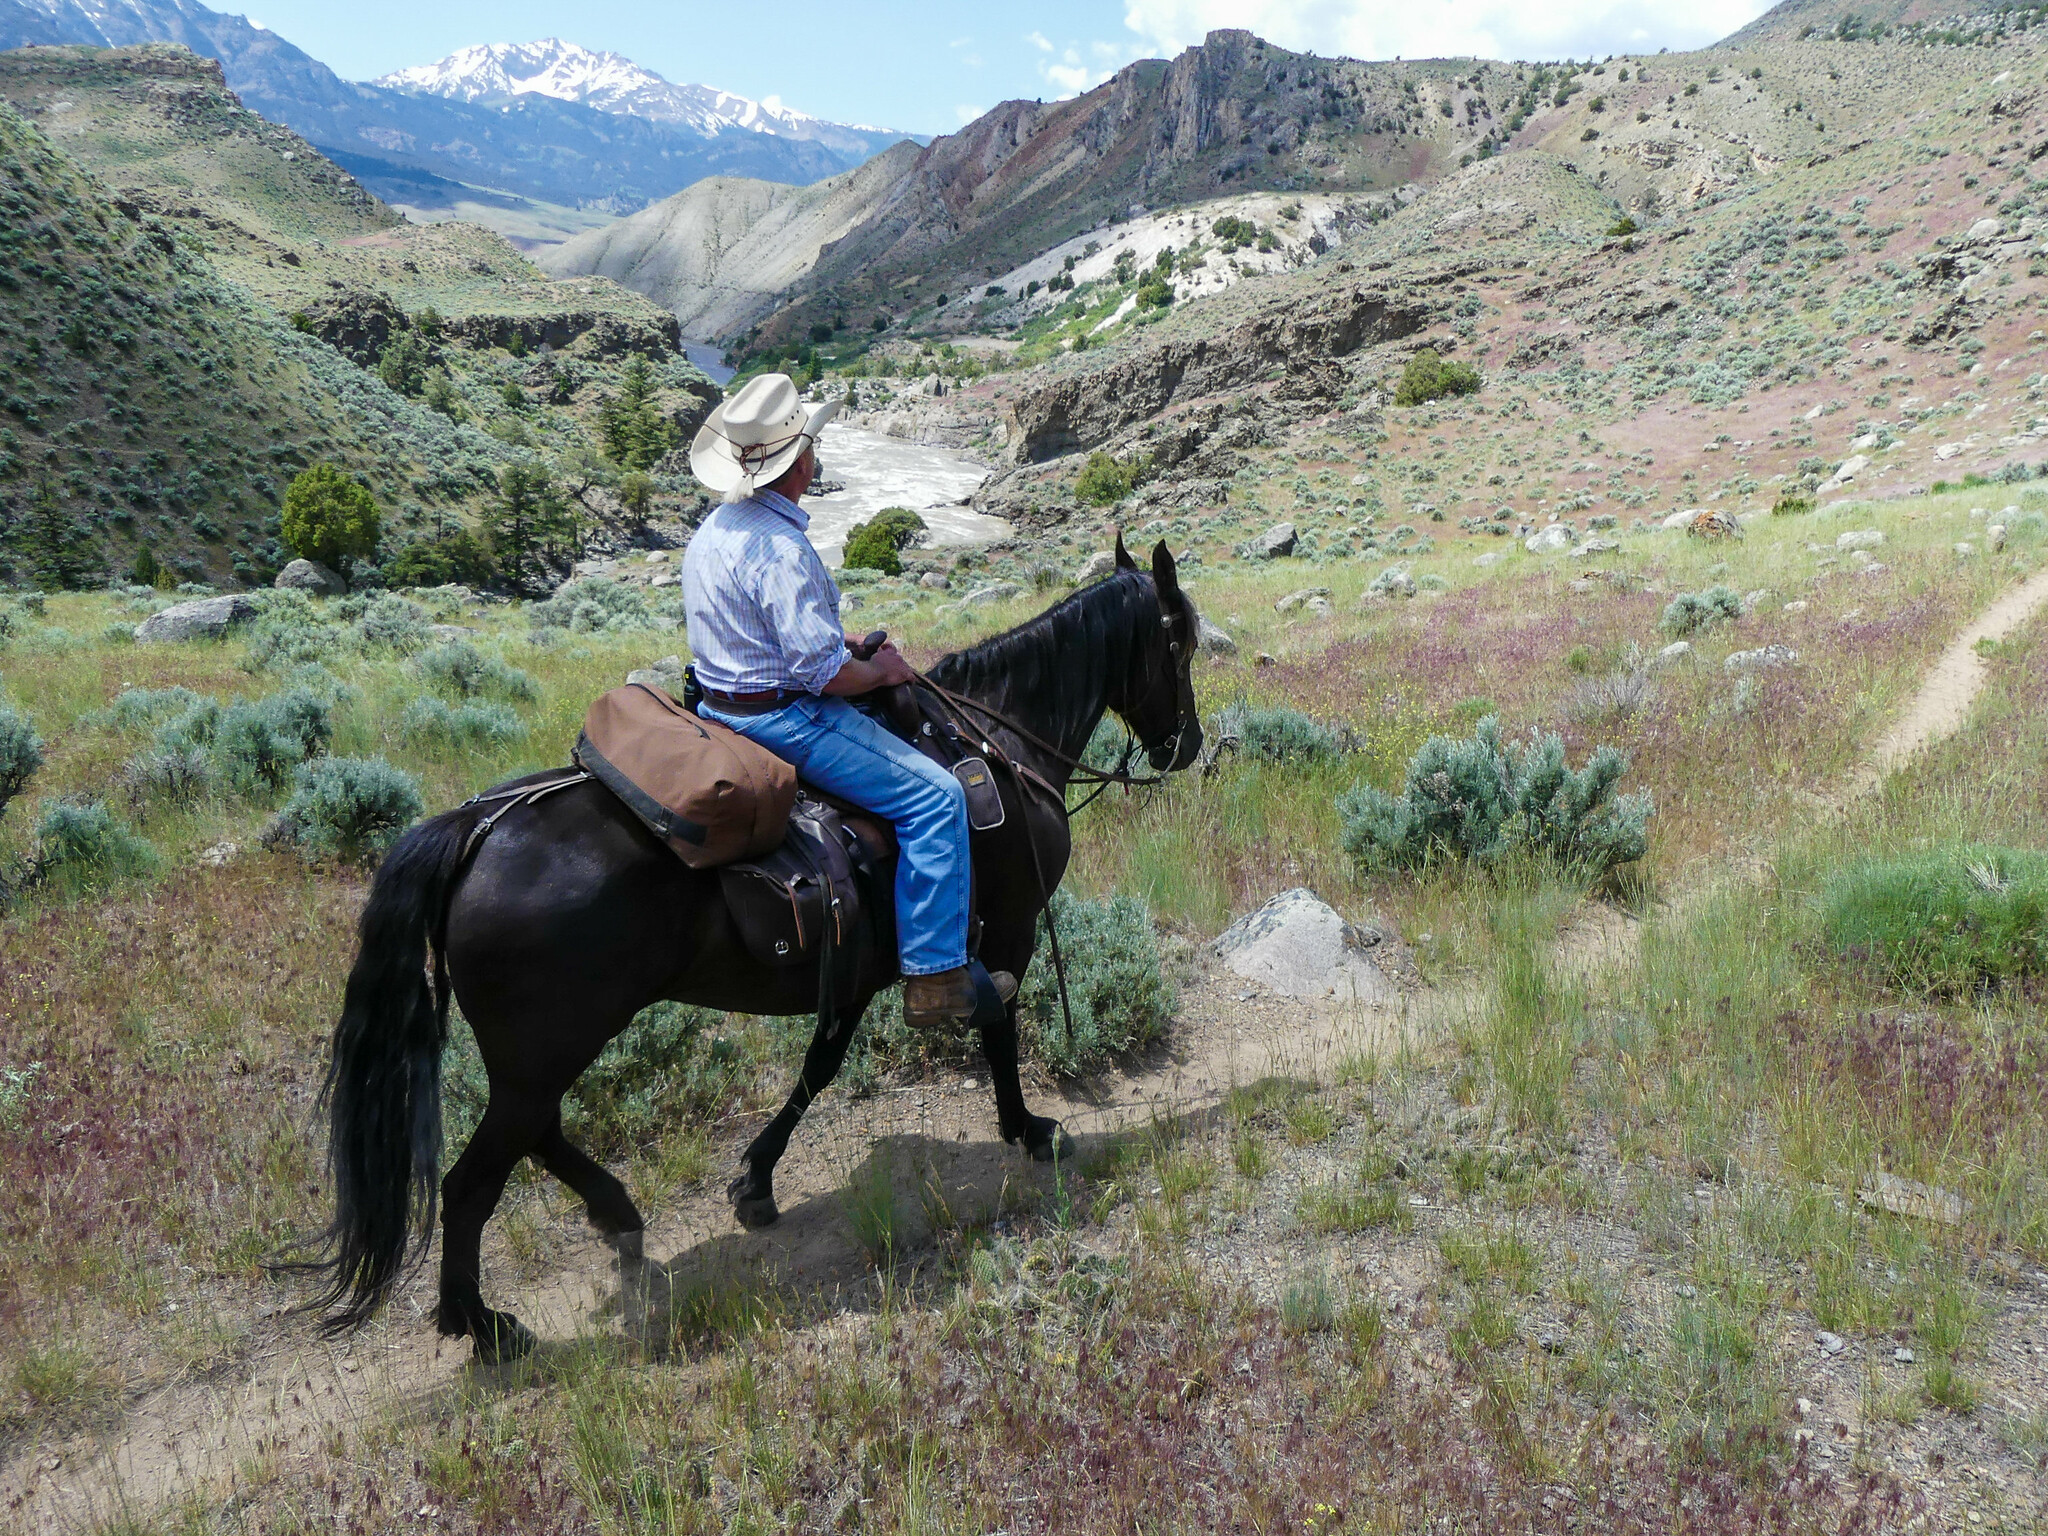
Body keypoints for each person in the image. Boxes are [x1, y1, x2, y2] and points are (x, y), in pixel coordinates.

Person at [680, 373, 1014, 1028]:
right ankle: (934, 978)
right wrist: (882, 672)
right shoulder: (782, 545)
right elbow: (821, 675)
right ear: (800, 461)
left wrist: (843, 640)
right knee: (936, 796)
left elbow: (763, 633)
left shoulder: (718, 526)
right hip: (782, 719)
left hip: (718, 706)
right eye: (811, 443)